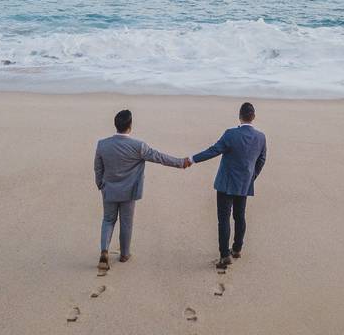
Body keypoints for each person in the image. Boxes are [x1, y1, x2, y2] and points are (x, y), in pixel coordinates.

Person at [93, 109, 189, 270]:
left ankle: (104, 250)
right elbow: (159, 157)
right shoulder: (138, 146)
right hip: (129, 192)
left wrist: (100, 184)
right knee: (126, 223)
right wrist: (181, 163)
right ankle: (124, 254)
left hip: (109, 190)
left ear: (115, 125)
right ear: (130, 126)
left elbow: (97, 168)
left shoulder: (103, 144)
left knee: (108, 220)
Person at [189, 102, 267, 270]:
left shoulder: (231, 134)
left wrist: (192, 159)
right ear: (253, 117)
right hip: (244, 184)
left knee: (223, 219)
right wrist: (251, 177)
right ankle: (237, 249)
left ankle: (225, 255)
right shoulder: (261, 137)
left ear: (240, 116)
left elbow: (213, 150)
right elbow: (261, 160)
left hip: (225, 184)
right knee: (240, 216)